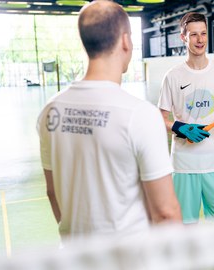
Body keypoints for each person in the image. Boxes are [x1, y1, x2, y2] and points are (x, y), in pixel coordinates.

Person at [37, 0, 181, 242]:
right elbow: (165, 212)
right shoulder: (140, 114)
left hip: (75, 256)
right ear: (125, 41)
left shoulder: (50, 111)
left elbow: (53, 193)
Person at [158, 12, 214, 224]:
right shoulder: (173, 76)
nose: (200, 40)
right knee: (186, 228)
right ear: (183, 37)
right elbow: (159, 119)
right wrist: (179, 127)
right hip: (184, 166)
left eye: (203, 33)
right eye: (194, 35)